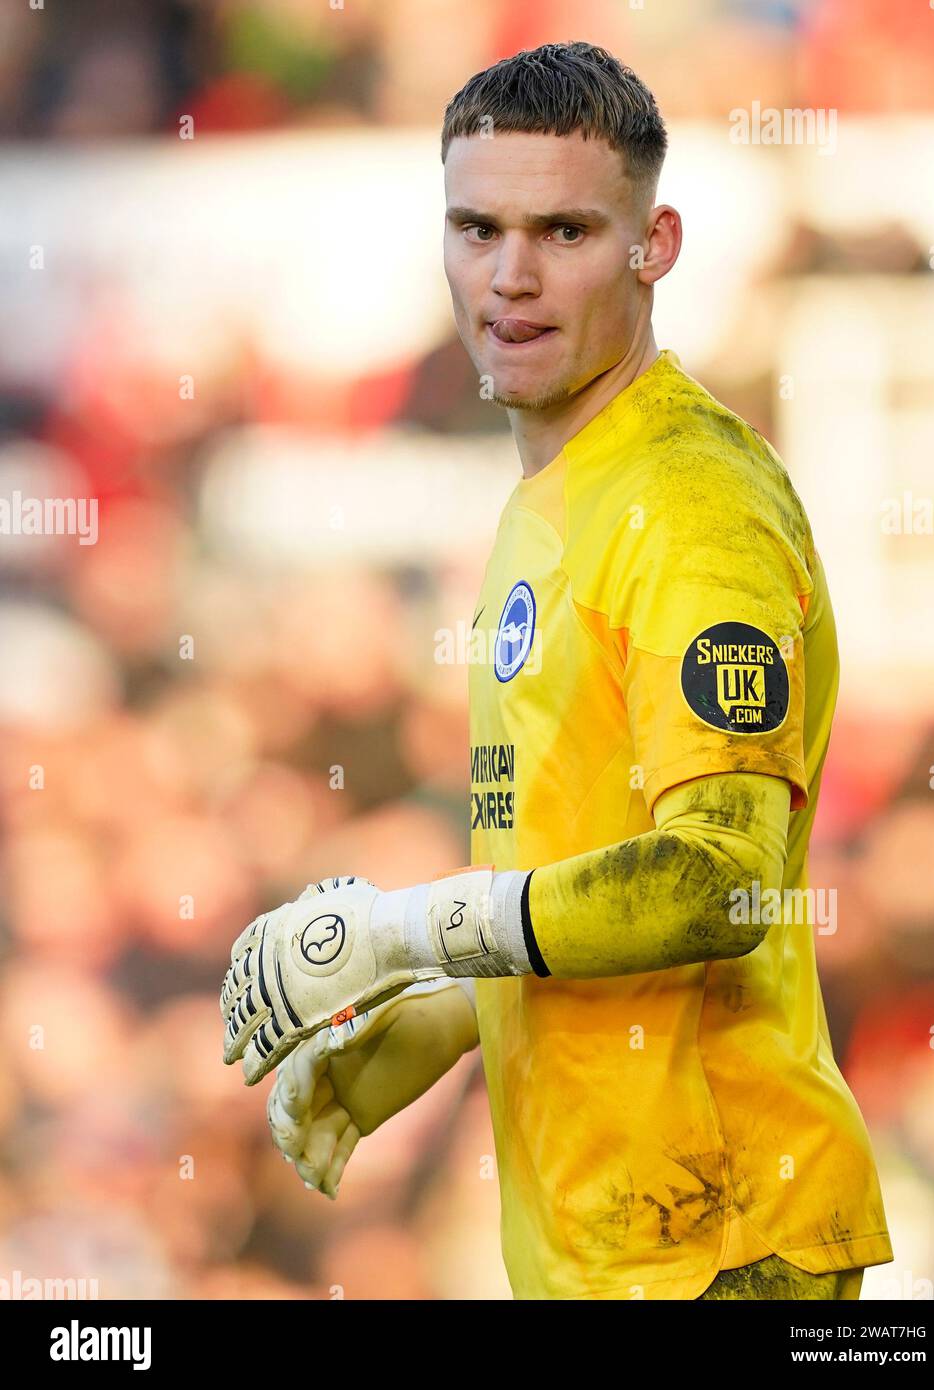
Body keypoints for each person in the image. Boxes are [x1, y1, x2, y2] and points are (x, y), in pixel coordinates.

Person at [221, 40, 893, 1301]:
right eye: (477, 228)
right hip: (618, 1245)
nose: (511, 277)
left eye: (566, 230)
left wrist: (398, 930)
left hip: (722, 1248)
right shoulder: (551, 495)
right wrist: (432, 1017)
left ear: (656, 244)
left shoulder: (688, 507)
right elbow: (583, 866)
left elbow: (718, 878)